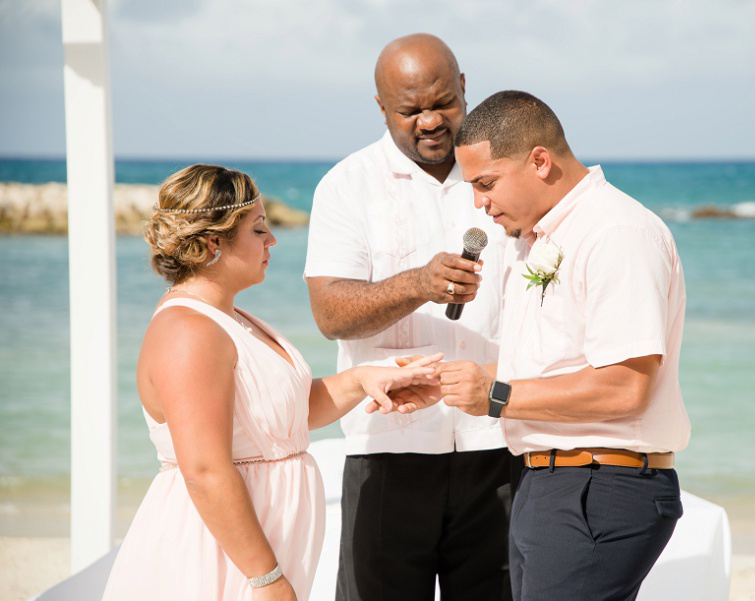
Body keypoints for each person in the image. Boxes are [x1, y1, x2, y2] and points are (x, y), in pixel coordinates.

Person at [392, 90, 691, 601]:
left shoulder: (615, 231)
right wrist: (452, 385)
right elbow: (550, 363)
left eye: (486, 183)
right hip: (549, 481)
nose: (479, 203)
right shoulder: (538, 239)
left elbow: (625, 389)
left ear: (539, 161)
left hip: (600, 485)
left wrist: (496, 394)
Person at [102, 164, 439, 601]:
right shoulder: (189, 331)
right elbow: (205, 470)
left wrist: (364, 380)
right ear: (213, 243)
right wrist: (266, 580)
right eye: (259, 230)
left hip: (262, 550)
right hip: (218, 557)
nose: (272, 240)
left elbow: (282, 419)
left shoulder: (232, 319)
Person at [304, 34, 519, 601]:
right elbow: (329, 313)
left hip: (500, 444)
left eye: (442, 102)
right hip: (386, 449)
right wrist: (417, 284)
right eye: (409, 110)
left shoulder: (507, 174)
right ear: (382, 109)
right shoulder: (346, 186)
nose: (429, 121)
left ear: (465, 87)